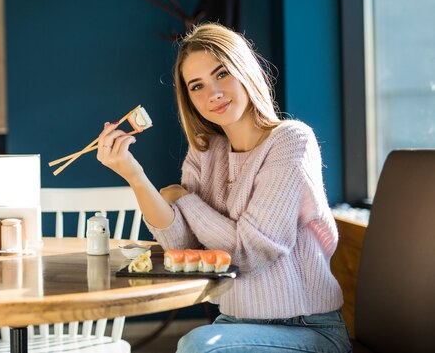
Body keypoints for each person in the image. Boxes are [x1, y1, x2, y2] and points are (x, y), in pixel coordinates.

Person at [96, 22, 352, 353]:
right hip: (234, 325)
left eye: (221, 74)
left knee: (199, 345)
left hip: (308, 329)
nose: (212, 93)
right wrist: (134, 175)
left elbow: (249, 252)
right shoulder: (205, 151)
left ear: (244, 69)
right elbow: (179, 242)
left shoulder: (291, 140)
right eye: (196, 86)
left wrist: (183, 198)